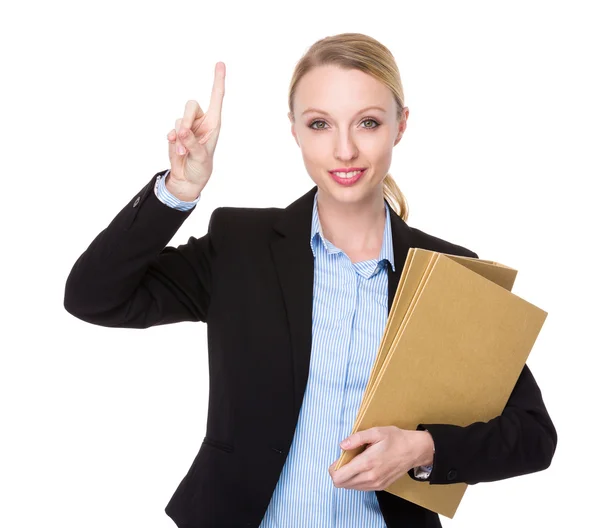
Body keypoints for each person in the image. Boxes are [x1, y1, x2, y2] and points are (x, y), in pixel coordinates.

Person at [63, 33, 557, 528]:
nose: (344, 149)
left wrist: (421, 448)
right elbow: (94, 297)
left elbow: (533, 435)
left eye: (368, 122)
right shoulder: (241, 246)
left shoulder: (448, 272)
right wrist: (179, 190)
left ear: (401, 126)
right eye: (320, 124)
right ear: (295, 131)